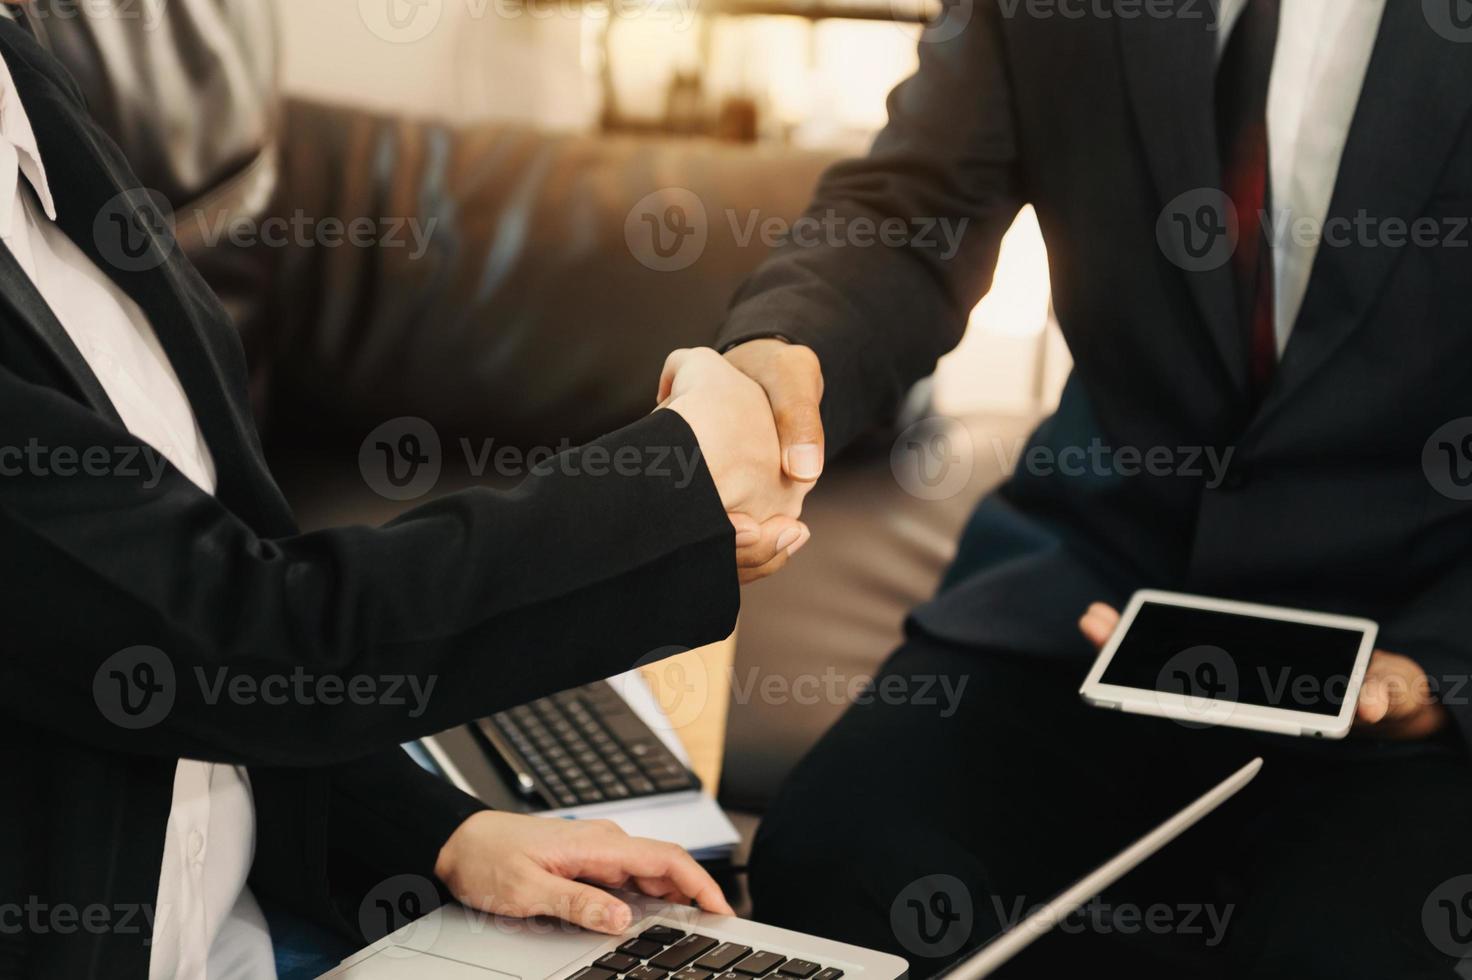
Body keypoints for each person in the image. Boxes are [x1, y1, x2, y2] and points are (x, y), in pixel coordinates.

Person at [0, 10, 813, 980]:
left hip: (254, 928)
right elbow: (240, 631)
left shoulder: (27, 83)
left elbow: (161, 636)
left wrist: (438, 833)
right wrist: (671, 488)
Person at [703, 0, 1472, 975]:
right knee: (840, 860)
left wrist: (1447, 664)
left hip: (1415, 650)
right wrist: (781, 351)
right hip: (1092, 599)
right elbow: (909, 210)